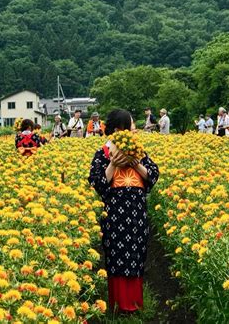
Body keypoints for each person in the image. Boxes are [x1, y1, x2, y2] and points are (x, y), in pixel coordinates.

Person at [88, 109, 159, 313]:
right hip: (114, 211)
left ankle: (135, 303)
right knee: (116, 251)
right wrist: (112, 164)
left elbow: (153, 175)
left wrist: (136, 165)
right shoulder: (103, 152)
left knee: (136, 251)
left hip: (137, 210)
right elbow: (98, 183)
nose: (135, 130)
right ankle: (119, 304)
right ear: (120, 129)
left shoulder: (138, 151)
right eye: (132, 126)